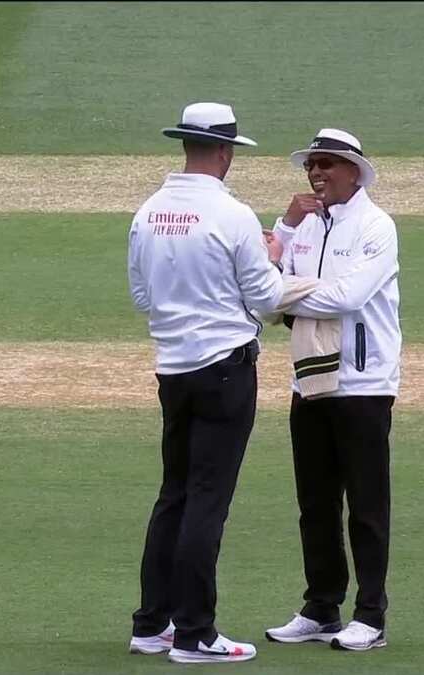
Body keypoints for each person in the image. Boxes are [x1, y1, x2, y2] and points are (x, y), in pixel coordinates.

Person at [126, 102, 285, 665]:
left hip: (172, 369)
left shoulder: (147, 212)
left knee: (174, 494)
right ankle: (195, 635)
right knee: (206, 502)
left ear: (185, 145)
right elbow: (266, 301)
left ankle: (152, 625)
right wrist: (274, 258)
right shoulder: (233, 215)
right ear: (224, 152)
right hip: (224, 366)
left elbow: (142, 297)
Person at [264, 129, 401, 651]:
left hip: (364, 383)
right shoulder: (303, 228)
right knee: (315, 503)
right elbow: (264, 291)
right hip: (310, 380)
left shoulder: (376, 226)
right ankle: (321, 606)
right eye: (311, 165)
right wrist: (284, 226)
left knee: (366, 505)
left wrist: (289, 295)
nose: (316, 174)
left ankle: (370, 615)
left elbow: (349, 297)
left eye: (327, 164)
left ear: (354, 172)